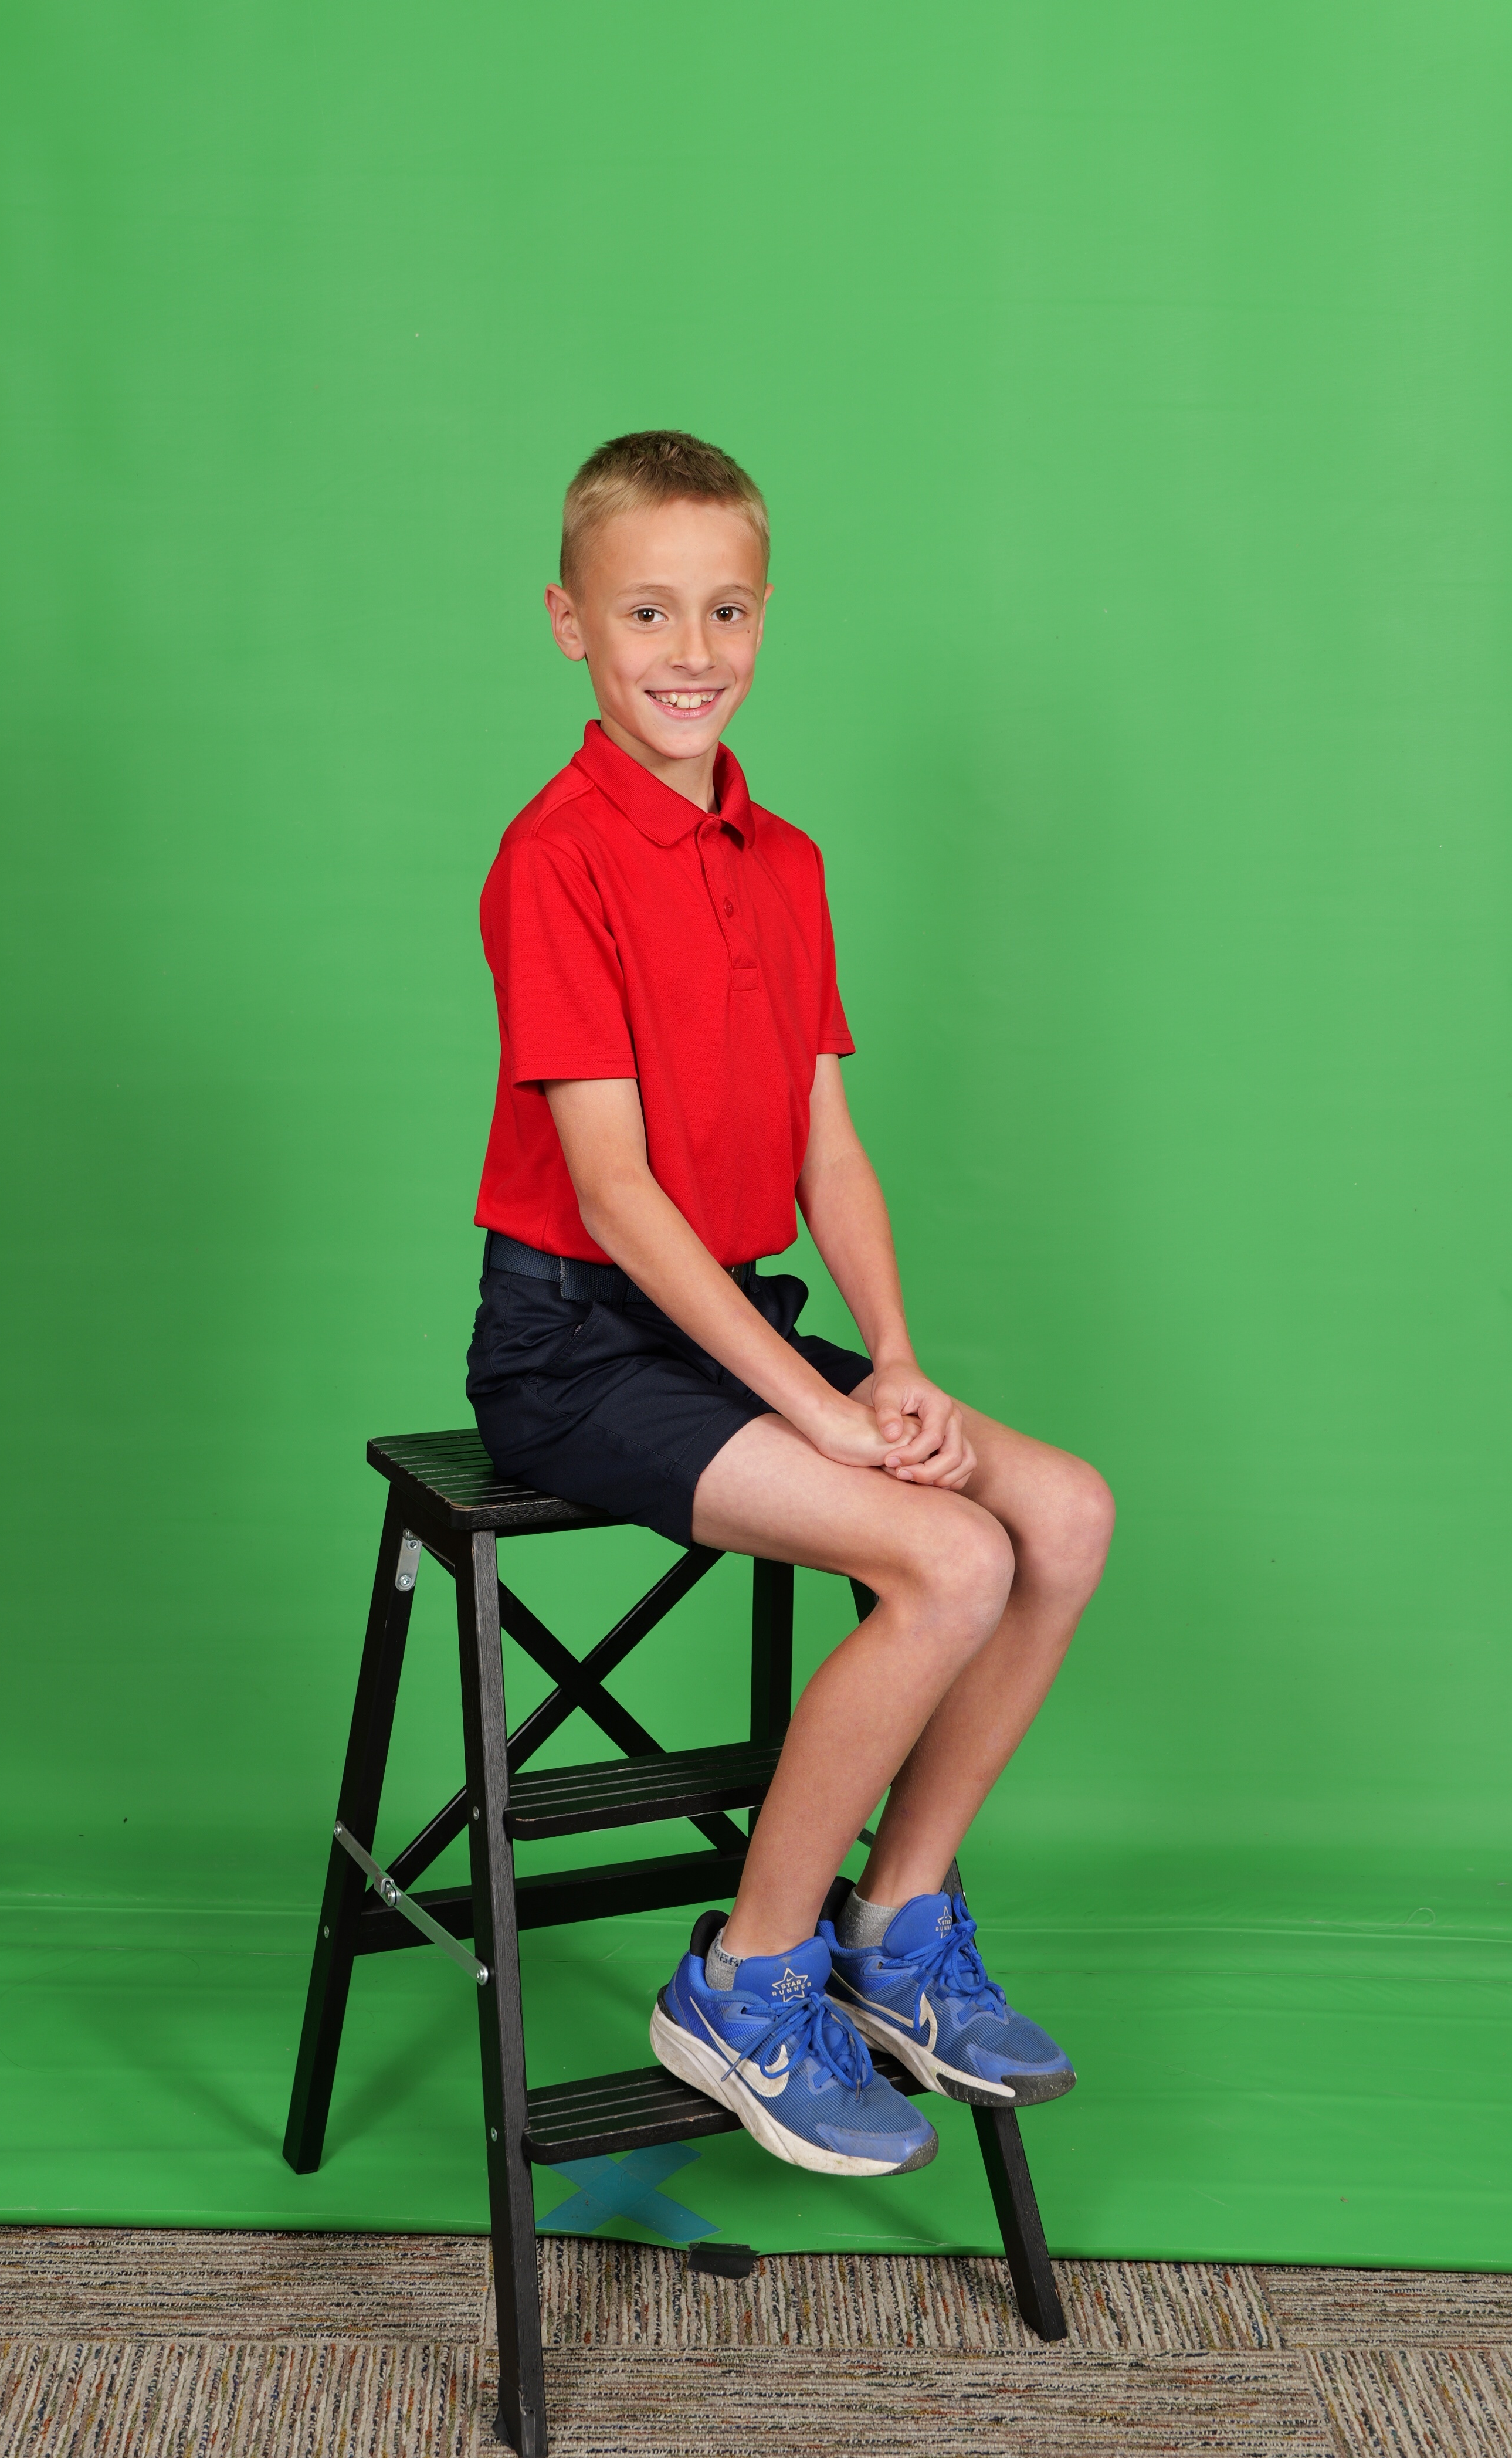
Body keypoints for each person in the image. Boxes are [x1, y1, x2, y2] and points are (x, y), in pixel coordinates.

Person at [467, 431, 1114, 2180]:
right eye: (647, 612)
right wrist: (820, 1414)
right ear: (570, 623)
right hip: (574, 1346)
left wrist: (891, 1362)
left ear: (765, 616)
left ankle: (895, 1926)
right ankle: (746, 1981)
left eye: (728, 610)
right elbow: (617, 1196)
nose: (692, 651)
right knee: (950, 1559)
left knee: (1060, 1513)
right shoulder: (554, 859)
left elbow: (828, 1143)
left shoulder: (788, 861)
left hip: (732, 1325)